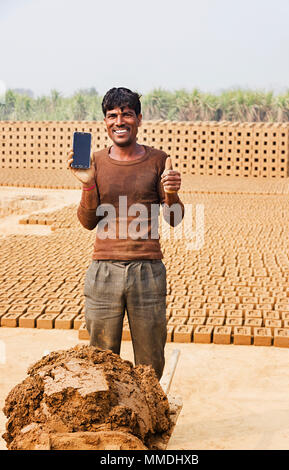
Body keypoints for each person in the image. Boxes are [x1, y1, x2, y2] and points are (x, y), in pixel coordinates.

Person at [67, 87, 184, 379]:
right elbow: (87, 221)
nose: (119, 121)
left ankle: (148, 419)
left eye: (127, 114)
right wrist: (87, 184)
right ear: (105, 122)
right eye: (112, 115)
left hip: (148, 271)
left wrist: (171, 194)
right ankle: (108, 421)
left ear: (139, 119)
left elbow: (175, 219)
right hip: (103, 271)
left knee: (150, 359)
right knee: (101, 360)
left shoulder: (159, 160)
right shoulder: (95, 162)